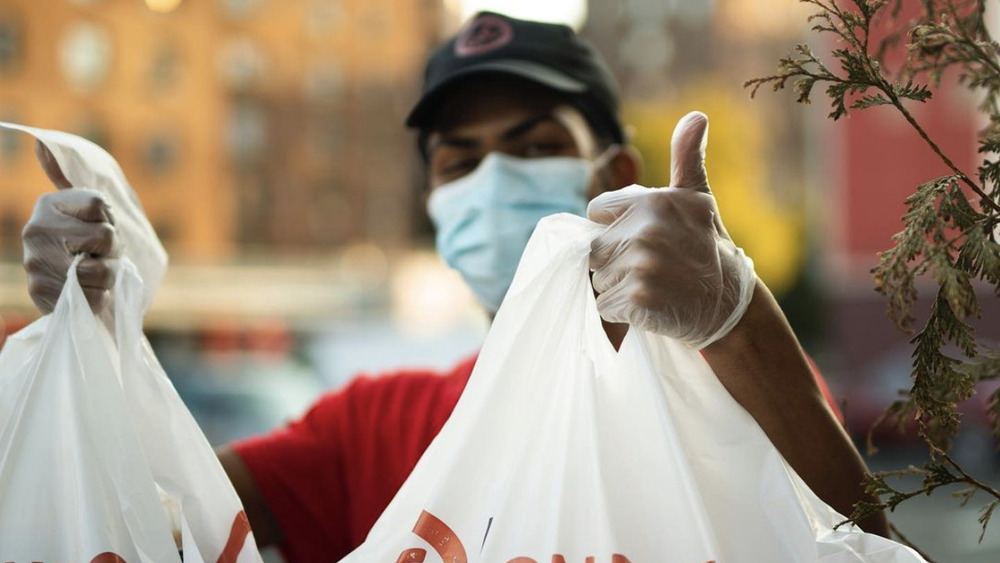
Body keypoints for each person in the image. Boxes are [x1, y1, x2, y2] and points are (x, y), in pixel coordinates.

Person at [20, 11, 888, 561]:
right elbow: (157, 512)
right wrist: (92, 332)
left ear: (618, 171)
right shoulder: (372, 426)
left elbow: (869, 544)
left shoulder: (720, 382)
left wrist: (734, 318)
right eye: (461, 162)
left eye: (537, 145)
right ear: (436, 203)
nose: (496, 179)